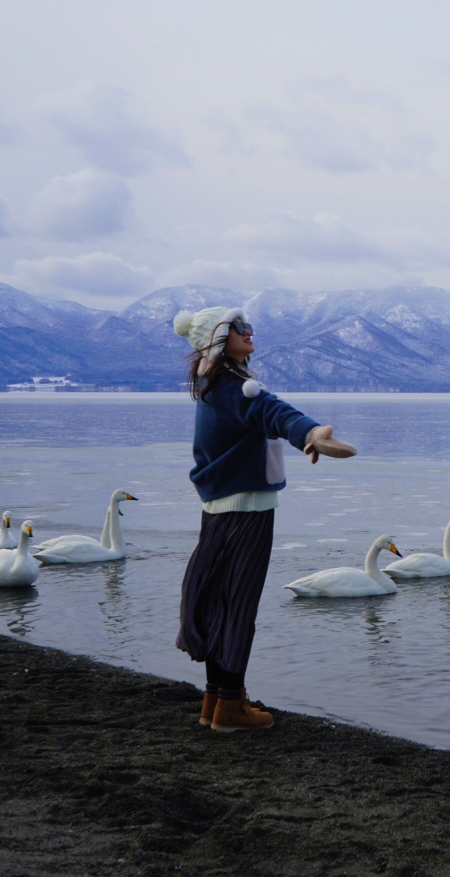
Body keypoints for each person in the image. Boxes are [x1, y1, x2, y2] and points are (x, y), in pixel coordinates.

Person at [173, 306, 354, 732]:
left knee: (219, 598)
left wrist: (300, 433)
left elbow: (267, 416)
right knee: (238, 603)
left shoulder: (212, 383)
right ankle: (231, 708)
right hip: (247, 509)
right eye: (239, 327)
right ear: (219, 337)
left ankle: (215, 701)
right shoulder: (238, 386)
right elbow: (274, 411)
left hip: (218, 508)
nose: (249, 332)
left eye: (250, 326)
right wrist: (311, 433)